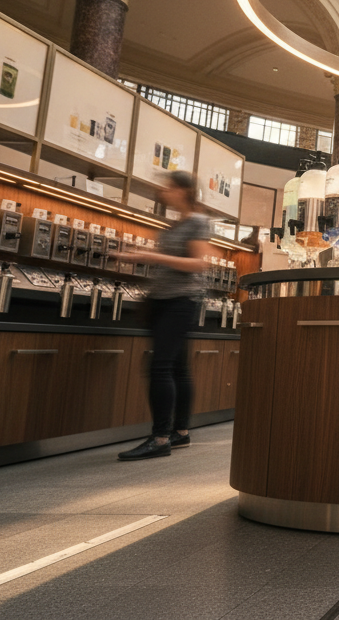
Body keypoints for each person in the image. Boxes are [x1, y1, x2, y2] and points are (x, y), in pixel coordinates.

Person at [118, 171, 215, 461]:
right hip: (164, 300)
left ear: (183, 191)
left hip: (180, 301)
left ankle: (160, 437)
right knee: (177, 368)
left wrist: (152, 257)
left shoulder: (197, 222)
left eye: (169, 187)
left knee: (159, 367)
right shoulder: (179, 223)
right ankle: (180, 432)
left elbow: (198, 264)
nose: (164, 191)